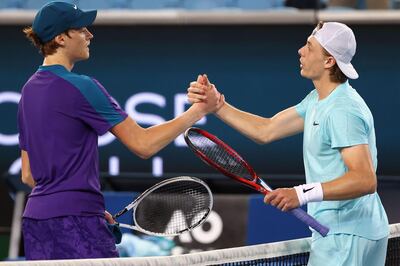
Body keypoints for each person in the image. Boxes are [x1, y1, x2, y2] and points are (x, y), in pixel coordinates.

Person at [18, 1, 220, 260]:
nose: (89, 35)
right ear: (60, 38)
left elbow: (28, 175)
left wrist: (83, 206)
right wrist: (198, 111)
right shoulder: (82, 87)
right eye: (81, 29)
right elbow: (143, 145)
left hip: (37, 222)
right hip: (77, 223)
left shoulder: (28, 90)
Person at [188, 22, 389, 265]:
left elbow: (365, 180)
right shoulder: (319, 99)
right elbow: (267, 130)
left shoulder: (342, 110)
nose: (300, 51)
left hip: (346, 236)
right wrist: (217, 105)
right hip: (347, 232)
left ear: (329, 62)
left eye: (309, 47)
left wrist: (301, 193)